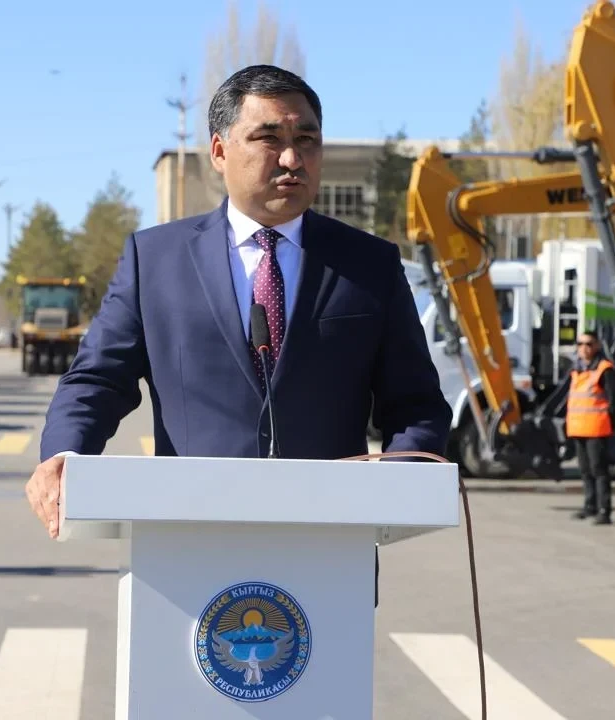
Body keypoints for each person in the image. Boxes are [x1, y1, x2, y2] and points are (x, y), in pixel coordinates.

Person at [26, 65, 452, 607]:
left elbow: (415, 403)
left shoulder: (370, 265)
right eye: (269, 139)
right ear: (219, 151)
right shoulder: (154, 261)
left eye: (307, 141)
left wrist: (403, 483)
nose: (292, 159)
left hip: (328, 557)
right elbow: (98, 379)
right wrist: (64, 455)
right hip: (184, 556)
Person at [565, 330, 615, 525]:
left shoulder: (604, 369)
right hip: (578, 428)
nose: (584, 348)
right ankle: (590, 506)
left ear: (597, 346)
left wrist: (611, 423)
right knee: (585, 470)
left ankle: (604, 510)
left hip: (596, 428)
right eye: (580, 344)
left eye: (588, 344)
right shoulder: (576, 370)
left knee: (599, 470)